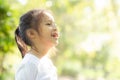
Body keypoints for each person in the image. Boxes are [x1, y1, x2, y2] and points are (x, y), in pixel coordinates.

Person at [15, 9, 59, 80]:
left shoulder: (47, 62)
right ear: (31, 33)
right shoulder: (29, 64)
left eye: (55, 24)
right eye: (48, 24)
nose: (55, 28)